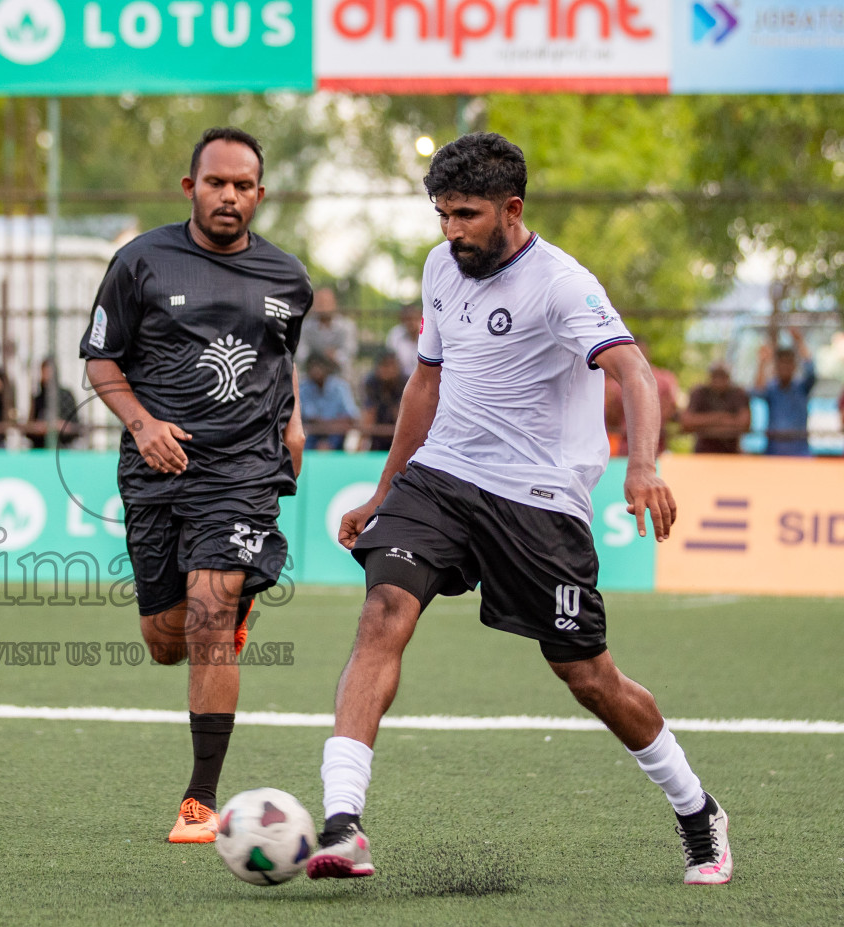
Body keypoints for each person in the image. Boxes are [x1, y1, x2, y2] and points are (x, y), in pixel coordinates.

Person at [306, 133, 731, 887]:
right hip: (441, 478)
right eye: (440, 214)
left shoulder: (562, 283)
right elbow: (425, 388)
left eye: (465, 214)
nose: (450, 231)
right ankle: (343, 823)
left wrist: (641, 465)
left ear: (512, 207)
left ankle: (696, 808)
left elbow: (631, 369)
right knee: (382, 615)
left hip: (537, 502)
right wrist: (384, 490)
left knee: (587, 675)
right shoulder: (442, 266)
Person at [82, 126, 310, 844]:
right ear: (191, 187)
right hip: (156, 471)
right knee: (165, 639)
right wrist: (143, 424)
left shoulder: (289, 278)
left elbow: (284, 364)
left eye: (244, 186)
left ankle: (200, 802)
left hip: (243, 471)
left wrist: (294, 427)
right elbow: (100, 361)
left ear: (260, 195)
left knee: (212, 610)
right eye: (217, 183)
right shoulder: (139, 262)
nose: (230, 197)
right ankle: (230, 606)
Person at [604, 339, 679, 455]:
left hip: (655, 446)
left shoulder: (664, 379)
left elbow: (670, 410)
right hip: (626, 445)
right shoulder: (614, 383)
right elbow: (611, 418)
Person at [755, 333, 815, 456]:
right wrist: (762, 362)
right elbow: (758, 390)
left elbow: (811, 371)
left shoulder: (802, 388)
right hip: (774, 451)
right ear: (776, 366)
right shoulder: (771, 390)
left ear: (794, 366)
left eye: (788, 363)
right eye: (781, 363)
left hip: (800, 451)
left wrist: (799, 342)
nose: (785, 367)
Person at [681, 362, 750, 454]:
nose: (719, 380)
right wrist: (720, 418)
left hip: (731, 452)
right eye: (716, 376)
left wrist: (703, 423)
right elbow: (687, 422)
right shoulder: (699, 393)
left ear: (728, 377)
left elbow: (744, 423)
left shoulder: (738, 394)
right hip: (703, 452)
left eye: (722, 376)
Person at [299, 351, 361, 450]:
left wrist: (329, 425)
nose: (316, 370)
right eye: (312, 366)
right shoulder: (303, 388)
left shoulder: (340, 387)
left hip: (336, 433)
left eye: (319, 366)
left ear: (327, 367)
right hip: (312, 433)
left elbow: (351, 416)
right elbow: (307, 417)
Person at [296, 286, 358, 371]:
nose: (323, 306)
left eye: (326, 302)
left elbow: (349, 353)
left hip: (338, 375)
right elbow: (300, 354)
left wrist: (334, 356)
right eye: (319, 302)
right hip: (312, 374)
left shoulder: (347, 327)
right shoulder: (305, 327)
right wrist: (317, 360)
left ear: (334, 303)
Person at [26, 357, 79, 449]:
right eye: (44, 372)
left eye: (48, 372)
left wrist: (57, 426)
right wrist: (38, 428)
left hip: (63, 448)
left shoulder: (66, 396)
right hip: (41, 448)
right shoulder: (38, 398)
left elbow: (75, 427)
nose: (46, 376)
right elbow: (29, 429)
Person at [361, 350, 407, 452]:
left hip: (401, 430)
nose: (388, 370)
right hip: (377, 431)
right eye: (385, 365)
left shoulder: (405, 382)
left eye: (391, 365)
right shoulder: (371, 382)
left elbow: (403, 415)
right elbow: (369, 412)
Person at [384, 303, 422, 377]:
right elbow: (389, 360)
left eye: (415, 318)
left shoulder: (428, 334)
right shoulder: (395, 335)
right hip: (400, 379)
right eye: (407, 319)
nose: (411, 322)